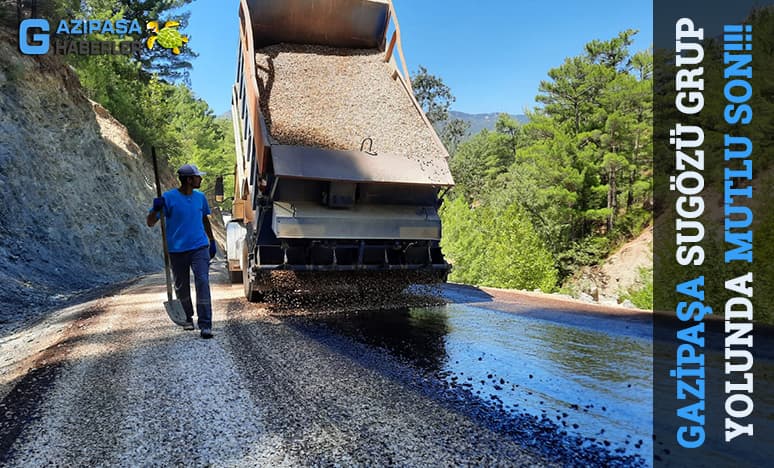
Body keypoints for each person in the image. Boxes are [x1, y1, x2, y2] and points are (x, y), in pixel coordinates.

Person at [147, 163, 217, 339]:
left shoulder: (200, 197)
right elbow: (150, 222)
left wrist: (212, 240)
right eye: (197, 176)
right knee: (181, 286)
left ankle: (205, 324)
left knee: (202, 281)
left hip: (199, 247)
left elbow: (205, 220)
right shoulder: (168, 198)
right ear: (188, 179)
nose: (200, 179)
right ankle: (187, 318)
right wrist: (156, 208)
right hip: (177, 250)